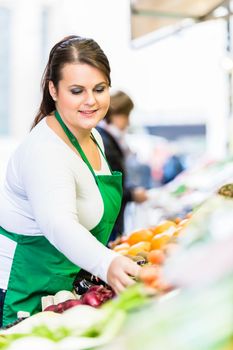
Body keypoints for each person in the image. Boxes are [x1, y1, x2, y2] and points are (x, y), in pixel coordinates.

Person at [0, 35, 141, 327]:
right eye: (77, 91)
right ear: (53, 89)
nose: (91, 101)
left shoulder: (94, 137)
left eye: (99, 89)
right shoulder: (45, 152)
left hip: (61, 282)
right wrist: (107, 263)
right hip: (20, 288)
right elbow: (59, 223)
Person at [96, 91, 148, 241]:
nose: (128, 122)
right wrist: (132, 194)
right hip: (108, 222)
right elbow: (107, 185)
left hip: (111, 219)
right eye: (126, 115)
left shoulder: (107, 139)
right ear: (115, 114)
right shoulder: (106, 142)